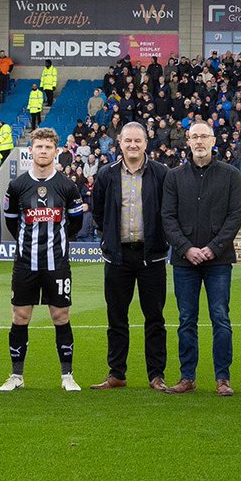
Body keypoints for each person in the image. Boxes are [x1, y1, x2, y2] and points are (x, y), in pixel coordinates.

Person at [0, 127, 86, 393]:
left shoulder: (68, 186)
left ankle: (67, 375)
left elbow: (76, 224)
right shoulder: (16, 186)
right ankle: (16, 375)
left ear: (56, 151)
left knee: (60, 316)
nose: (44, 151)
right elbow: (12, 223)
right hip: (25, 264)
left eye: (49, 147)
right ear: (31, 150)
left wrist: (56, 243)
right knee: (20, 315)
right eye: (39, 147)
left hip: (57, 264)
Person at [162, 121, 241, 396]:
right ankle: (188, 377)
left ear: (213, 140)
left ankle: (223, 378)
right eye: (194, 136)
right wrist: (186, 248)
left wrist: (213, 247)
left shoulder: (230, 174)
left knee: (220, 317)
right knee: (186, 319)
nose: (199, 141)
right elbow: (168, 218)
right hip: (185, 261)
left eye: (204, 137)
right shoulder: (174, 177)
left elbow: (235, 216)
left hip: (218, 260)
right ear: (188, 141)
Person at [89, 122, 170, 392]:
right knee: (116, 318)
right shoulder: (106, 174)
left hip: (152, 256)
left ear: (146, 143)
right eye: (128, 141)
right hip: (118, 256)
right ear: (119, 143)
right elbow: (98, 212)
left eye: (138, 141)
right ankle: (117, 373)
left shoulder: (161, 173)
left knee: (155, 318)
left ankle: (156, 375)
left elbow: (168, 211)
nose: (133, 145)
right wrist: (108, 238)